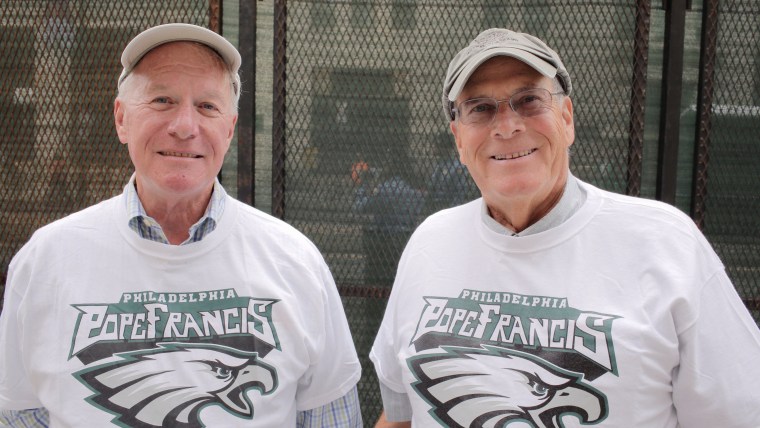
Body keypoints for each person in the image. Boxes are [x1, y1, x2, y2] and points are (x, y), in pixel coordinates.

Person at [369, 28, 760, 428]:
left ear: (566, 118)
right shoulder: (430, 241)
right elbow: (401, 416)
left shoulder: (666, 243)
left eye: (529, 100)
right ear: (458, 140)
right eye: (480, 108)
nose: (506, 126)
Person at [0, 23, 362, 427]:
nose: (185, 126)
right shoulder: (45, 260)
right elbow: (19, 414)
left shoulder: (295, 262)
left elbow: (330, 417)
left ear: (229, 128)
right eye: (162, 100)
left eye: (207, 106)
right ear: (121, 119)